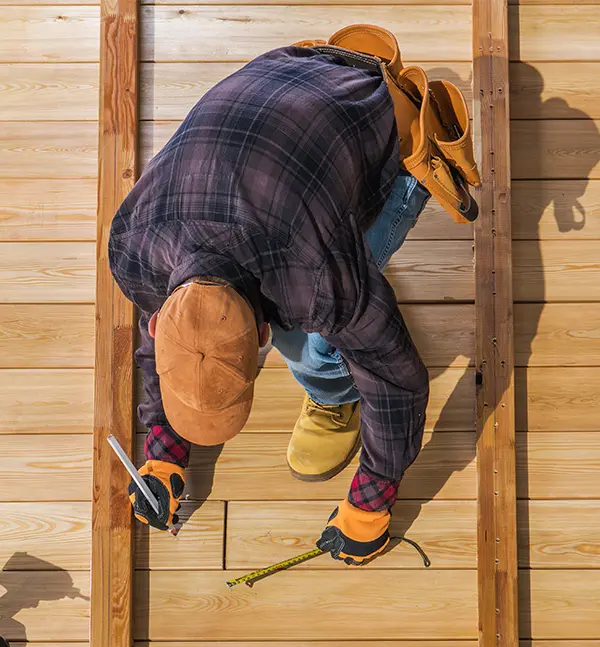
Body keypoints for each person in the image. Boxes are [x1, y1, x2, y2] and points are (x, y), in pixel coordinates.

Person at [109, 25, 479, 566]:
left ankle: (334, 400)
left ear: (261, 334)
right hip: (284, 73)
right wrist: (163, 452)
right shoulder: (133, 249)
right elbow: (166, 350)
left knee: (315, 344)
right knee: (321, 309)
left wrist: (371, 500)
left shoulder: (311, 273)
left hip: (375, 114)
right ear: (158, 322)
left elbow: (395, 375)